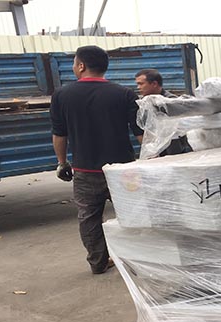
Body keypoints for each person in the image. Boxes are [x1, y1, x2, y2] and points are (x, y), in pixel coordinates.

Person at [51, 45, 143, 274]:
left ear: (81, 66)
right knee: (132, 215)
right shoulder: (124, 94)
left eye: (74, 63)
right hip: (123, 170)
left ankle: (98, 262)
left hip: (85, 171)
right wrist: (151, 162)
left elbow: (59, 134)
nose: (74, 67)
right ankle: (139, 262)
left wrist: (62, 162)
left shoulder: (62, 95)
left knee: (89, 218)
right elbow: (141, 134)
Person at [134, 68, 191, 156]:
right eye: (137, 84)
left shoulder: (171, 102)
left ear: (154, 84)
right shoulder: (145, 103)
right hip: (157, 151)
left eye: (141, 84)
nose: (138, 87)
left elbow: (176, 131)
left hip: (176, 152)